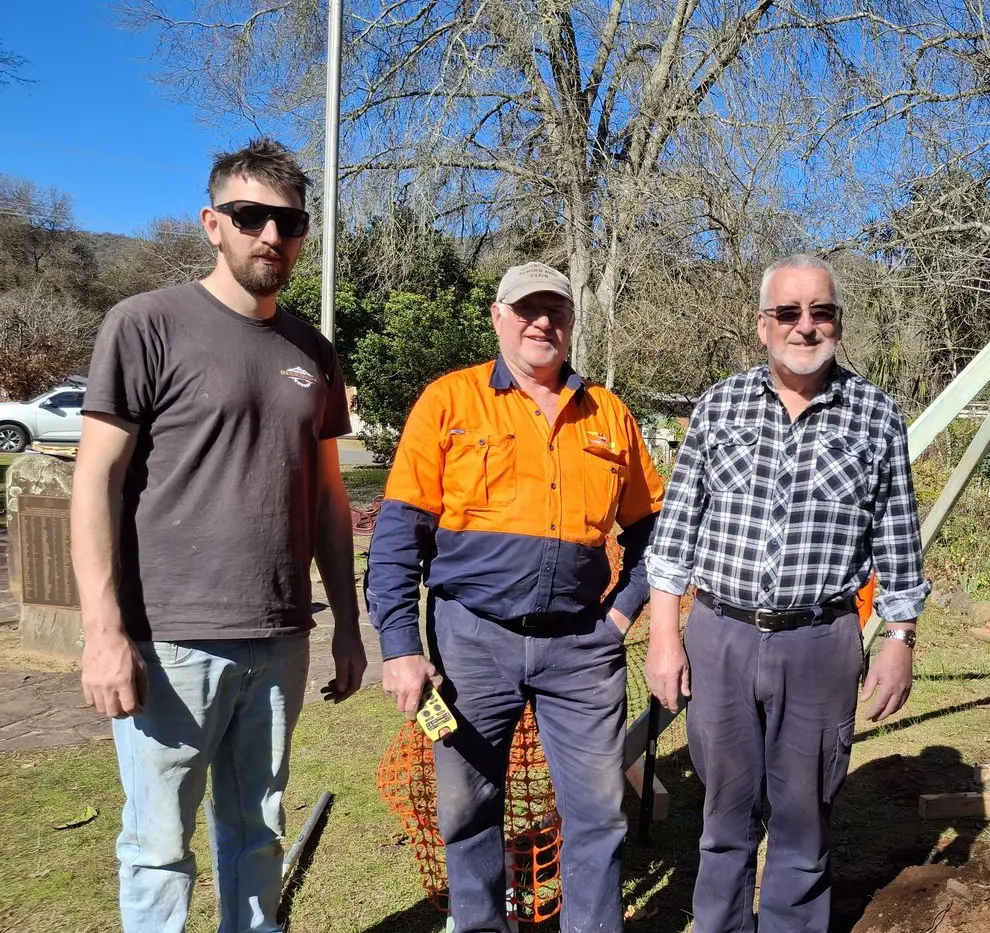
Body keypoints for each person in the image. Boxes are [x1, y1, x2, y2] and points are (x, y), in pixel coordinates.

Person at [72, 138, 366, 933]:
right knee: (160, 846)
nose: (271, 235)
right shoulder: (145, 324)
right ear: (213, 222)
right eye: (250, 216)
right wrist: (103, 632)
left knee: (259, 834)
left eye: (289, 221)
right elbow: (93, 480)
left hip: (278, 638)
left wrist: (344, 621)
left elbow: (330, 500)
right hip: (170, 642)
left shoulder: (313, 350)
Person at [364, 261, 665, 933]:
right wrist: (400, 646)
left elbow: (657, 533)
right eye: (526, 308)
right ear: (498, 317)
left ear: (571, 322)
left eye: (555, 310)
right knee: (468, 807)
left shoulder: (609, 414)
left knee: (597, 811)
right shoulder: (450, 401)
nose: (542, 322)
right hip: (471, 643)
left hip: (582, 649)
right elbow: (395, 539)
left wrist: (619, 615)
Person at [645, 254, 931, 933]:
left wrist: (899, 640)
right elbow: (675, 535)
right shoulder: (719, 404)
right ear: (762, 325)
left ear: (838, 321)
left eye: (821, 312)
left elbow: (898, 544)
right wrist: (663, 637)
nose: (806, 326)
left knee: (805, 820)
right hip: (722, 637)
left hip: (821, 642)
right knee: (723, 814)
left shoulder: (875, 415)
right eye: (789, 312)